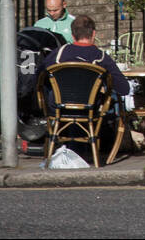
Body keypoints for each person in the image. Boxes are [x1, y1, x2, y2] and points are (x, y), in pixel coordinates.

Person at [39, 14, 130, 161]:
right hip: (89, 108)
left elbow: (38, 76)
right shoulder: (101, 57)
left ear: (73, 35)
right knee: (109, 100)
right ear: (93, 34)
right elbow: (124, 89)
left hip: (58, 107)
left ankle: (64, 147)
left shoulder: (58, 54)